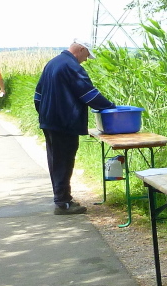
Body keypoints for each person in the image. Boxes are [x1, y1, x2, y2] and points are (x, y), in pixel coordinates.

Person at [34, 38, 115, 215]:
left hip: (49, 120)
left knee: (56, 160)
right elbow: (89, 94)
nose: (85, 60)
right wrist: (111, 108)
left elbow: (38, 95)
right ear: (81, 49)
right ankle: (63, 203)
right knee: (64, 161)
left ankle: (62, 198)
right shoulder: (71, 66)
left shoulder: (52, 63)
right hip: (64, 122)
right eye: (87, 55)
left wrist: (44, 114)